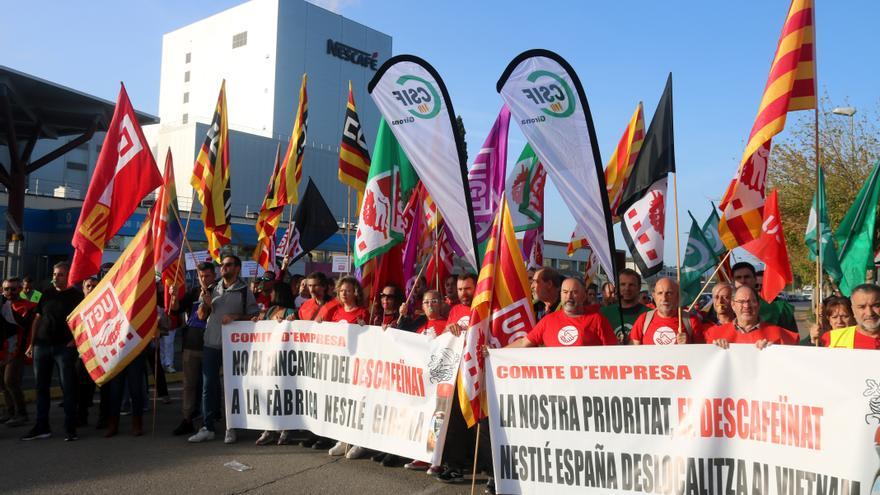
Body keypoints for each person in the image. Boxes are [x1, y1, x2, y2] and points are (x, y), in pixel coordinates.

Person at [188, 255, 259, 444]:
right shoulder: (212, 288)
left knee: (233, 386)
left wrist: (235, 317)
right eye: (222, 265)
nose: (223, 268)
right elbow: (201, 317)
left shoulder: (244, 291)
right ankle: (207, 426)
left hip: (234, 347)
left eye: (228, 265)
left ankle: (231, 426)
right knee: (208, 386)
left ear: (237, 268)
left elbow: (254, 316)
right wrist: (205, 302)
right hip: (211, 343)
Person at [22, 262, 84, 441]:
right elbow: (37, 319)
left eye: (60, 275)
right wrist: (31, 344)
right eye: (55, 274)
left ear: (68, 276)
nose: (56, 277)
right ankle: (42, 427)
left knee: (68, 388)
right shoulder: (45, 294)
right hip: (42, 347)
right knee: (41, 387)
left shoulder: (76, 296)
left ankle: (70, 428)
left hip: (64, 348)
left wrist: (75, 341)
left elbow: (83, 322)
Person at [324, 277, 369, 459]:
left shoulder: (362, 313)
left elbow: (368, 337)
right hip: (339, 365)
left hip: (356, 365)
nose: (344, 293)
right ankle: (343, 440)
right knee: (341, 403)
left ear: (355, 292)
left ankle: (359, 441)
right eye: (341, 290)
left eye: (348, 290)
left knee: (357, 403)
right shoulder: (336, 313)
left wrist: (364, 328)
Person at [508, 277, 617, 348]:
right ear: (560, 295)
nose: (568, 296)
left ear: (584, 296)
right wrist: (495, 353)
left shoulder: (597, 320)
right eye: (565, 292)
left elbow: (614, 353)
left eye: (574, 292)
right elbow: (523, 343)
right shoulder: (548, 321)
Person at [170, 261, 214, 436]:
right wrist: (173, 296)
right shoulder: (193, 292)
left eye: (208, 276)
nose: (204, 279)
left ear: (214, 275)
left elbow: (204, 314)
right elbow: (176, 310)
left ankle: (208, 419)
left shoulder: (219, 291)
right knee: (189, 385)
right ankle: (187, 419)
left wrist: (207, 298)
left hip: (210, 345)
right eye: (201, 276)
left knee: (208, 385)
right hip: (190, 345)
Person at [253, 282, 298, 446]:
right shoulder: (270, 310)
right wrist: (256, 321)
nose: (270, 294)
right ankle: (269, 429)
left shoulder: (291, 312)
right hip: (268, 360)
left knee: (284, 394)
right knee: (269, 394)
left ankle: (286, 429)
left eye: (272, 291)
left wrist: (290, 321)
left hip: (284, 361)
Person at [705, 285, 798, 348]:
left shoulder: (780, 335)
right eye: (741, 302)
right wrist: (714, 351)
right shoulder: (714, 335)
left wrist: (775, 352)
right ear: (733, 305)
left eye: (751, 301)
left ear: (758, 305)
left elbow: (798, 364)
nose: (746, 306)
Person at [0, 277, 33, 427]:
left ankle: (22, 413)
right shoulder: (3, 305)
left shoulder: (27, 306)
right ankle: (10, 411)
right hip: (3, 350)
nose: (10, 292)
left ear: (20, 289)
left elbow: (24, 328)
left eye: (13, 289)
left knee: (10, 381)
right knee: (3, 383)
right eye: (6, 289)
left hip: (18, 350)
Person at [630, 278, 704, 345]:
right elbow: (633, 352)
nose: (664, 298)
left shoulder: (691, 321)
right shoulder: (643, 320)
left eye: (669, 293)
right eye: (660, 293)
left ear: (677, 296)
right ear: (654, 296)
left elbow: (703, 355)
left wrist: (688, 345)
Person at [731, 261, 798, 333]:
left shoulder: (779, 308)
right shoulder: (723, 305)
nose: (743, 281)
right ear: (732, 281)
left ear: (755, 279)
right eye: (738, 278)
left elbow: (791, 339)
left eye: (747, 277)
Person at [821, 285, 880, 349]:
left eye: (876, 306)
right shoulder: (831, 339)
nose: (869, 313)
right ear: (853, 310)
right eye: (862, 307)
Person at [600, 268, 650, 344]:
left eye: (631, 285)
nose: (627, 288)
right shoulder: (603, 313)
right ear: (617, 287)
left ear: (639, 287)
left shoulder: (649, 315)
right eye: (623, 284)